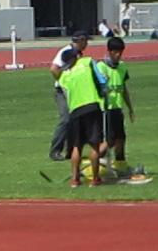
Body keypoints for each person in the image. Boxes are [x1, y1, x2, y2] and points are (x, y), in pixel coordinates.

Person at [98, 35, 149, 183]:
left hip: (117, 109)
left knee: (121, 138)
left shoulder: (122, 67)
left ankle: (120, 164)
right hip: (105, 110)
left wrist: (130, 108)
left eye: (120, 52)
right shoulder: (101, 67)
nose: (118, 55)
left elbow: (124, 88)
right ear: (109, 51)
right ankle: (93, 163)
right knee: (109, 140)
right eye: (115, 52)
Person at [59, 43, 108, 187]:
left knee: (76, 146)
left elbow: (66, 93)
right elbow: (103, 80)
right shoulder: (88, 62)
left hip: (75, 111)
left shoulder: (64, 76)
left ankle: (75, 179)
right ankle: (95, 179)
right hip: (92, 105)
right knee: (94, 145)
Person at [49, 33, 89, 161]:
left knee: (75, 120)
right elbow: (54, 69)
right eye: (86, 41)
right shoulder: (66, 52)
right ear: (80, 41)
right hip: (63, 91)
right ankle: (55, 150)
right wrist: (63, 82)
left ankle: (71, 150)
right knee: (66, 119)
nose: (87, 44)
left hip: (74, 91)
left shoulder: (78, 53)